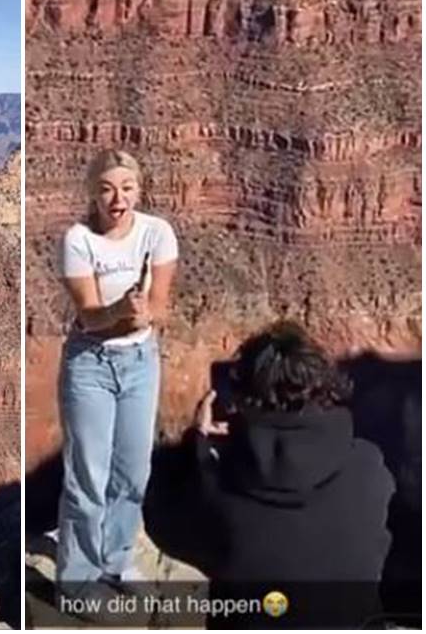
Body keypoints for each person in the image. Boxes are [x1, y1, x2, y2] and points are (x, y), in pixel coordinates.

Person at [191, 322, 395, 628]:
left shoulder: (218, 486)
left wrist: (197, 444)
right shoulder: (368, 466)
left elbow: (164, 518)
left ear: (243, 399)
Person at [56, 149, 178, 593]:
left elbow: (160, 305)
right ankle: (77, 581)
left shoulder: (157, 233)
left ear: (139, 190)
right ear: (92, 192)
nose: (117, 198)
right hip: (90, 361)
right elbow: (89, 316)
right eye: (106, 188)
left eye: (127, 187)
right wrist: (120, 310)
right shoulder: (77, 240)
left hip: (141, 362)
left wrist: (144, 314)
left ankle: (116, 558)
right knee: (88, 476)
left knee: (132, 471)